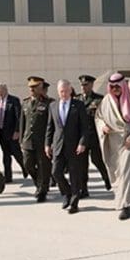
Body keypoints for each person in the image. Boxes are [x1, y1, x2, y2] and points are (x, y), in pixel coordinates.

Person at [95, 72, 130, 220]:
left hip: (129, 142)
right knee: (118, 174)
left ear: (123, 86)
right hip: (113, 142)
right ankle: (126, 198)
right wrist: (103, 127)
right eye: (112, 87)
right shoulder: (106, 101)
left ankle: (123, 206)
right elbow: (98, 117)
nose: (115, 89)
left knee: (126, 172)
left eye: (117, 87)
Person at [45, 79, 89, 214]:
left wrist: (82, 143)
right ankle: (67, 193)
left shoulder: (79, 105)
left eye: (65, 91)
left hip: (74, 146)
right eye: (61, 91)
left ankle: (74, 203)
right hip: (58, 145)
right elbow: (50, 127)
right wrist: (47, 144)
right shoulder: (53, 106)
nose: (63, 94)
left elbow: (85, 128)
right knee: (56, 172)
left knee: (74, 176)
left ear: (70, 90)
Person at [75, 74, 111, 196]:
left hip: (95, 136)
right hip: (81, 138)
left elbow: (104, 117)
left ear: (91, 85)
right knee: (81, 164)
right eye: (82, 85)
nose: (83, 87)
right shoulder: (76, 100)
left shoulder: (99, 99)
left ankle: (106, 178)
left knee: (97, 160)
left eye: (86, 85)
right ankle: (83, 189)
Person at [20, 76, 54, 202]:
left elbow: (52, 125)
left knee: (44, 167)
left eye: (34, 87)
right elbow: (22, 123)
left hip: (43, 142)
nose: (32, 89)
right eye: (30, 87)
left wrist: (50, 143)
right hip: (28, 141)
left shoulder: (49, 103)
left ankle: (42, 191)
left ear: (41, 87)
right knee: (27, 165)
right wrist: (21, 141)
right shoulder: (25, 102)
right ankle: (38, 183)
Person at [0, 83, 25, 183]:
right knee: (6, 155)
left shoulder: (14, 100)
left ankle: (26, 169)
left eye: (0, 91)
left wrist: (17, 131)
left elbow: (18, 117)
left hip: (12, 133)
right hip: (1, 133)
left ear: (5, 90)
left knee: (17, 154)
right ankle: (8, 176)